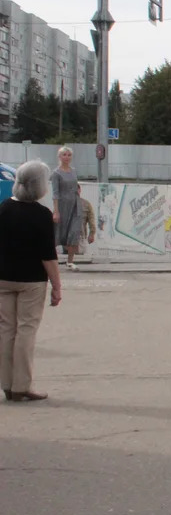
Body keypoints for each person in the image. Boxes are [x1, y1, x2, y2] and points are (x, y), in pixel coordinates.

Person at [0, 161, 62, 402]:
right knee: (26, 330)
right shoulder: (41, 215)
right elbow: (48, 256)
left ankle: (6, 384)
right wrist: (57, 286)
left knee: (6, 330)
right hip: (32, 281)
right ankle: (21, 385)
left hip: (3, 277)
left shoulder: (3, 209)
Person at [51, 146, 82, 271]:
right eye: (64, 155)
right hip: (62, 205)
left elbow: (76, 187)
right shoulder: (56, 173)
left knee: (74, 231)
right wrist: (56, 210)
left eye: (69, 155)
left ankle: (70, 261)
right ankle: (52, 261)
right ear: (60, 157)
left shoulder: (74, 171)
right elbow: (55, 193)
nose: (67, 157)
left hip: (75, 204)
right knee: (58, 232)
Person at [78, 188, 96, 257]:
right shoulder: (64, 203)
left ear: (79, 190)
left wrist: (92, 234)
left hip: (80, 237)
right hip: (67, 238)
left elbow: (91, 220)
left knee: (79, 258)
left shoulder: (86, 204)